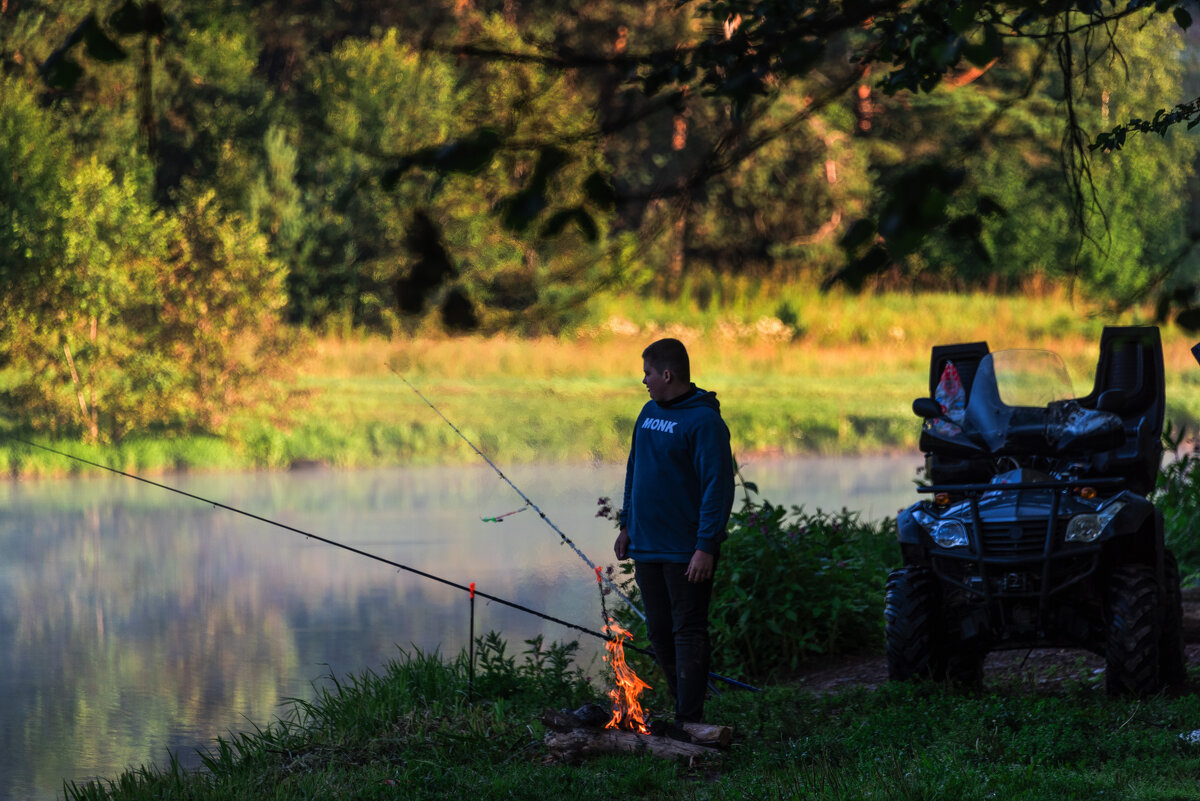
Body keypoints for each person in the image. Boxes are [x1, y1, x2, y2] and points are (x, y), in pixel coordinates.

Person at [613, 337, 735, 724]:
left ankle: (690, 718)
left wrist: (706, 546)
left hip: (686, 551)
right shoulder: (647, 413)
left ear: (667, 374)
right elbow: (635, 470)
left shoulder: (705, 422)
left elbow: (719, 487)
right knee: (660, 632)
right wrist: (626, 524)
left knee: (688, 630)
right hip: (646, 545)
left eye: (647, 372)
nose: (644, 380)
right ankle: (684, 708)